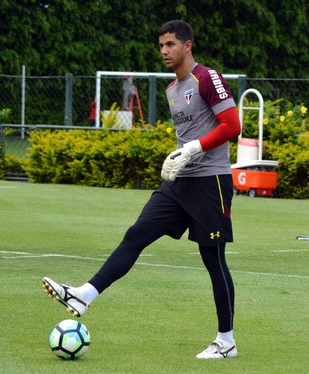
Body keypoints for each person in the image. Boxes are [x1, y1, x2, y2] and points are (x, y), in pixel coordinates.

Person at [43, 20, 241, 359]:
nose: (164, 51)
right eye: (161, 45)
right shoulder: (171, 89)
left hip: (211, 183)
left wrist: (193, 148)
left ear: (187, 45)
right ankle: (84, 295)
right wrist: (178, 157)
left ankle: (226, 341)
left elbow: (232, 125)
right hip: (178, 184)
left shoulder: (207, 78)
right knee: (136, 234)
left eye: (170, 44)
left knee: (213, 259)